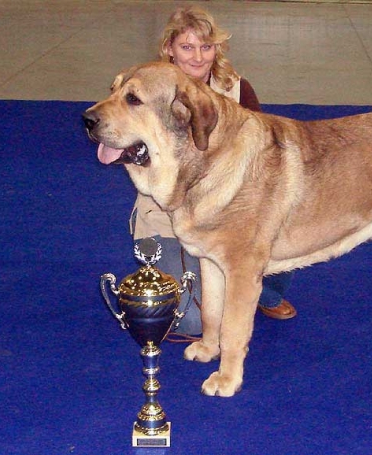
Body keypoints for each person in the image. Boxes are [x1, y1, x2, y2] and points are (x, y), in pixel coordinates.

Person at [130, 6, 297, 337]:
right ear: (169, 49)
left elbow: (264, 156)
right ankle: (175, 272)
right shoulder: (144, 92)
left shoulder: (237, 90)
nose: (197, 58)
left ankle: (256, 286)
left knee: (281, 233)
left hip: (228, 213)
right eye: (187, 47)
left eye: (206, 47)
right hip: (167, 216)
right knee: (194, 321)